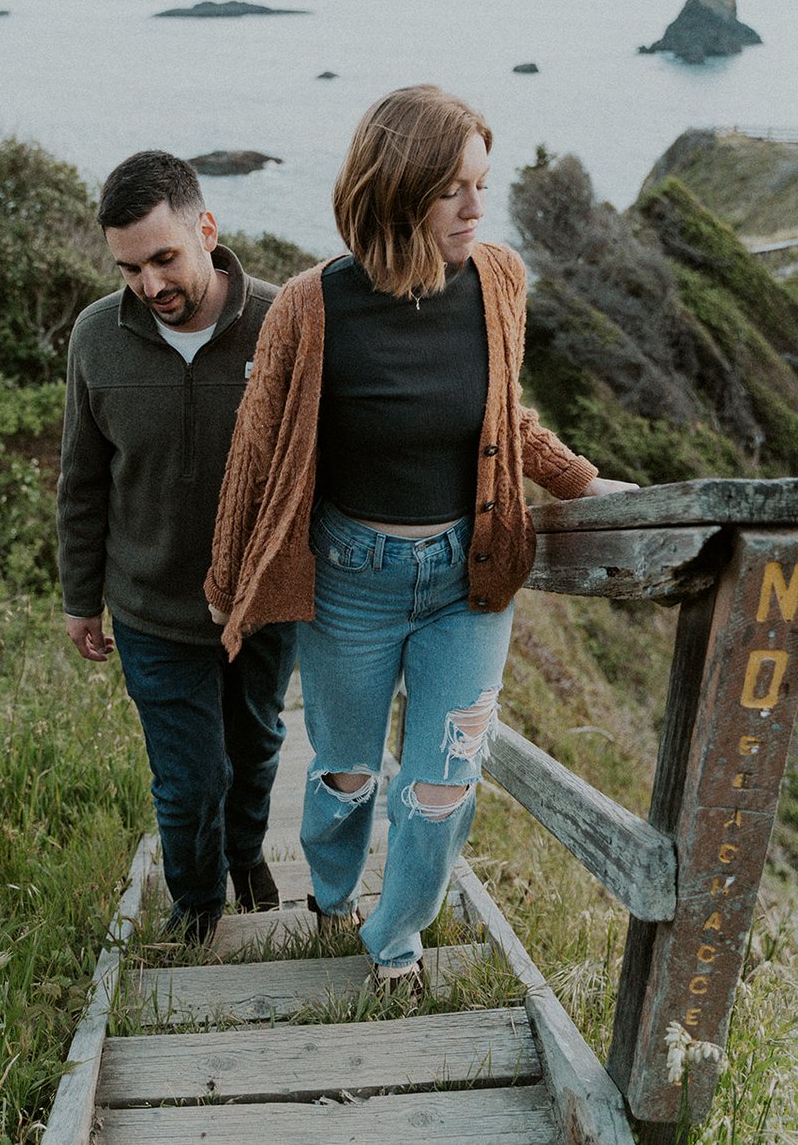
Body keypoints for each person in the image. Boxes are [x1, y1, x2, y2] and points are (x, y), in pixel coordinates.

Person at [205, 85, 637, 991]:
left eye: (483, 184)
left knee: (441, 784)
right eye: (455, 191)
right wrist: (227, 585)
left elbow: (503, 418)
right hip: (349, 581)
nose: (479, 208)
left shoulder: (498, 279)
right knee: (348, 772)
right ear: (397, 192)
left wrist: (584, 481)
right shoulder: (308, 307)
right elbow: (258, 452)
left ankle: (394, 942)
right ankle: (330, 896)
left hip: (467, 581)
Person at [58, 150, 297, 946]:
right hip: (151, 606)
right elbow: (82, 481)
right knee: (190, 778)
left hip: (262, 605)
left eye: (164, 258)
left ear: (206, 229)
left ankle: (247, 854)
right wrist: (77, 598)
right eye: (130, 268)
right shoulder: (97, 337)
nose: (150, 285)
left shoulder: (284, 320)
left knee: (256, 747)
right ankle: (196, 907)